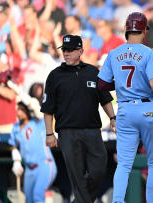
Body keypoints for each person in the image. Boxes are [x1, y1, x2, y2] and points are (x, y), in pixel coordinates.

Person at [97, 12, 153, 203]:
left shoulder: (114, 53)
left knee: (124, 164)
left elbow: (101, 85)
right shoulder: (150, 52)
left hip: (125, 110)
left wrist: (120, 83)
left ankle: (118, 201)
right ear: (144, 30)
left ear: (127, 30)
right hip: (148, 108)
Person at [40, 34, 116, 203]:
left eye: (70, 50)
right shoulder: (55, 75)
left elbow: (105, 98)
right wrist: (49, 133)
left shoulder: (93, 72)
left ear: (80, 51)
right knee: (77, 176)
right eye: (64, 50)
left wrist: (113, 117)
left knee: (99, 169)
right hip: (68, 133)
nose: (66, 53)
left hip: (92, 131)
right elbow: (48, 109)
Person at [7, 79, 57, 203]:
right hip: (29, 169)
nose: (20, 112)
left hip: (44, 165)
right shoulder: (15, 128)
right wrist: (17, 161)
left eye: (22, 109)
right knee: (29, 200)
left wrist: (15, 88)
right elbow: (13, 146)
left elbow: (33, 105)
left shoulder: (38, 121)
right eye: (18, 109)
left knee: (37, 196)